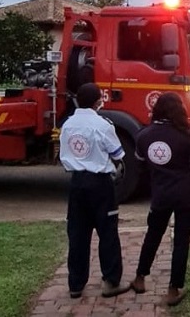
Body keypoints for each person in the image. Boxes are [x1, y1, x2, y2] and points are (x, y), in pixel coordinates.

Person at [130, 92, 190, 306]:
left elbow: (140, 167)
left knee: (153, 235)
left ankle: (139, 278)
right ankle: (173, 290)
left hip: (160, 194)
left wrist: (155, 180)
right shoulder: (185, 136)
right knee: (181, 242)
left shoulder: (143, 136)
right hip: (185, 195)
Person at [59, 82, 131, 299]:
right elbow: (118, 154)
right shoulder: (103, 125)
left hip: (77, 183)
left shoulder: (67, 125)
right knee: (107, 232)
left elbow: (64, 154)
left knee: (77, 234)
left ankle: (75, 284)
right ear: (97, 101)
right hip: (100, 184)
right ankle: (110, 281)